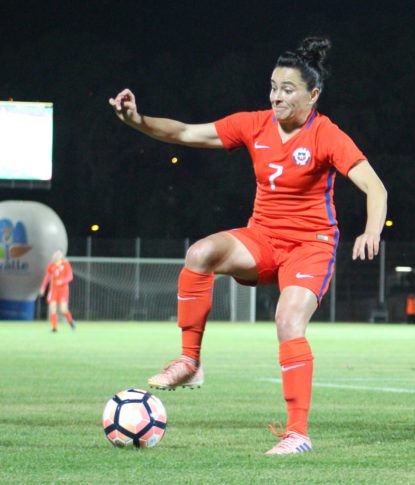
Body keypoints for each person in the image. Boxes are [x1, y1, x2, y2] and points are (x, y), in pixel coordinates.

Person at [109, 37, 388, 455]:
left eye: (287, 89)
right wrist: (136, 120)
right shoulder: (255, 124)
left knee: (288, 320)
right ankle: (190, 362)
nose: (276, 95)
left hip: (310, 246)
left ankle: (298, 434)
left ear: (313, 95)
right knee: (199, 254)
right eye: (273, 86)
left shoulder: (326, 134)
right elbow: (186, 132)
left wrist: (371, 230)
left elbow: (374, 186)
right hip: (262, 239)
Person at [39, 250, 76, 332]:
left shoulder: (66, 264)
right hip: (54, 290)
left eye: (59, 254)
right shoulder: (51, 265)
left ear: (62, 256)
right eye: (55, 254)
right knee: (52, 308)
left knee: (63, 310)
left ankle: (71, 322)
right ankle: (54, 328)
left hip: (63, 289)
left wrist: (62, 281)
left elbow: (70, 276)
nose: (57, 255)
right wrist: (43, 287)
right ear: (53, 256)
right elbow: (47, 277)